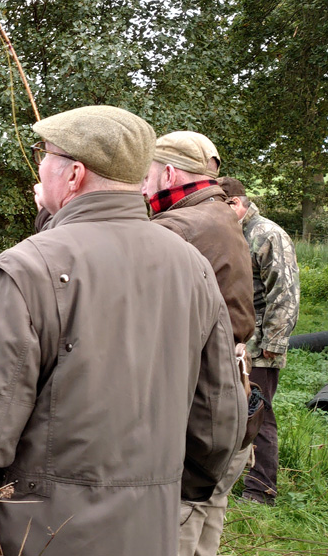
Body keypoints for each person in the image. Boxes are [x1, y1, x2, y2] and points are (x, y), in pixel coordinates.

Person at [0, 106, 246, 556]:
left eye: (43, 154)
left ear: (73, 175)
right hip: (149, 532)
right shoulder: (194, 268)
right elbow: (219, 420)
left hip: (34, 535)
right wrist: (163, 492)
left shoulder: (27, 269)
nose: (39, 166)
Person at [140, 131, 256, 556]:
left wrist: (52, 211)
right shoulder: (220, 213)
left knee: (180, 523)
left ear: (169, 172)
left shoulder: (177, 226)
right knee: (209, 513)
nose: (143, 185)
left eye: (148, 175)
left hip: (198, 411)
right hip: (232, 400)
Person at [219, 176, 300, 505]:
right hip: (235, 345)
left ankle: (260, 490)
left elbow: (286, 291)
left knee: (259, 415)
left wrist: (274, 342)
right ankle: (232, 477)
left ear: (235, 204)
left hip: (261, 348)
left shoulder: (267, 233)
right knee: (234, 412)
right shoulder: (232, 232)